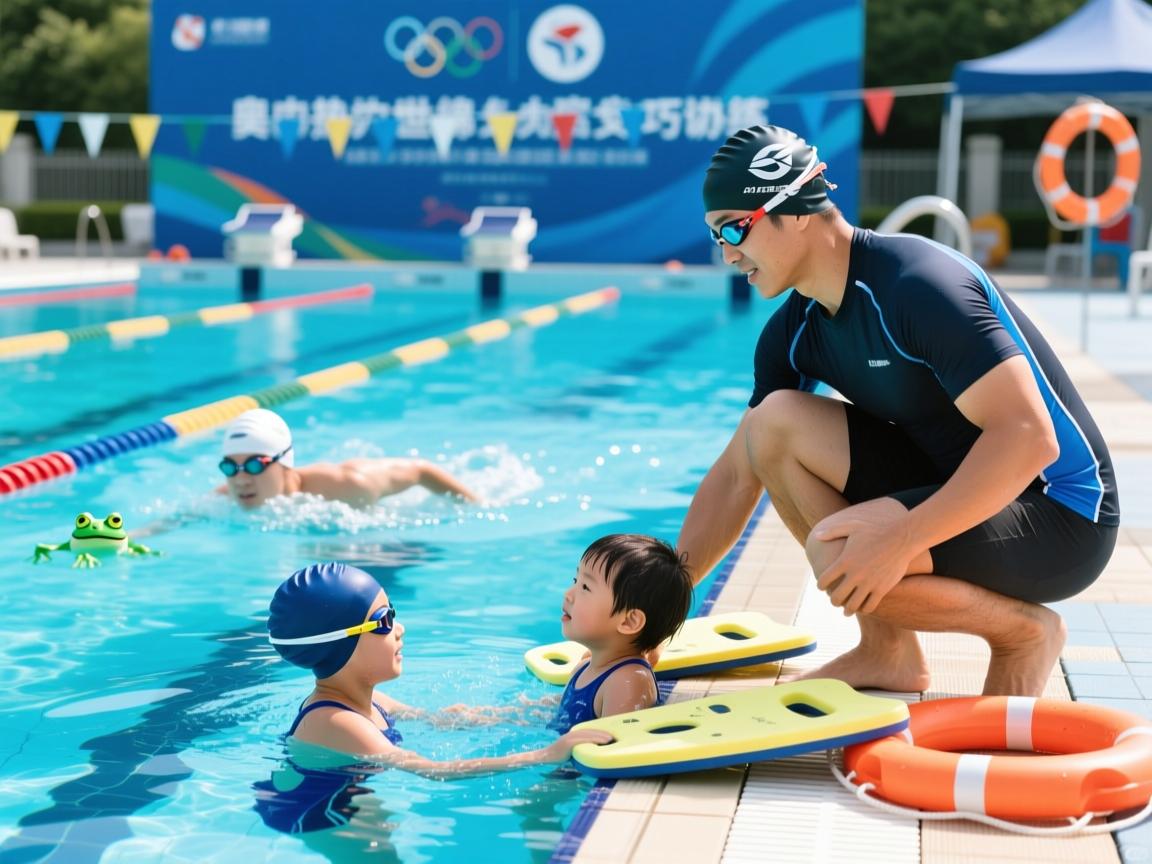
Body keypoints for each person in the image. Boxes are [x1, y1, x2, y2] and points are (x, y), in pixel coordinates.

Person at [678, 125, 1118, 698]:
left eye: (735, 228)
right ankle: (888, 652)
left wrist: (904, 536)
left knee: (841, 552)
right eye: (717, 237)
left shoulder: (919, 287)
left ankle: (1024, 634)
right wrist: (662, 606)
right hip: (955, 483)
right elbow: (739, 471)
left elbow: (1030, 437)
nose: (728, 253)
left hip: (1060, 513)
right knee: (773, 427)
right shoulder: (796, 329)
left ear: (798, 210)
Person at [267, 562, 612, 778]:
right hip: (325, 815)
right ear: (340, 644)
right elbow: (433, 770)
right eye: (384, 621)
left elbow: (442, 718)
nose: (399, 628)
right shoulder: (335, 722)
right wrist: (546, 754)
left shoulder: (370, 701)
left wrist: (542, 712)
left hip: (350, 797)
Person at [548, 534, 694, 733]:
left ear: (629, 621)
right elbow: (560, 714)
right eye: (576, 580)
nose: (568, 593)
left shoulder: (627, 682)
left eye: (585, 587)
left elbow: (612, 753)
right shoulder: (584, 667)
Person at [218, 408, 479, 509]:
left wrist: (476, 505)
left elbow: (421, 471)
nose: (241, 479)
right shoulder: (225, 497)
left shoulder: (350, 484)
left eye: (254, 465)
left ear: (285, 463)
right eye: (230, 467)